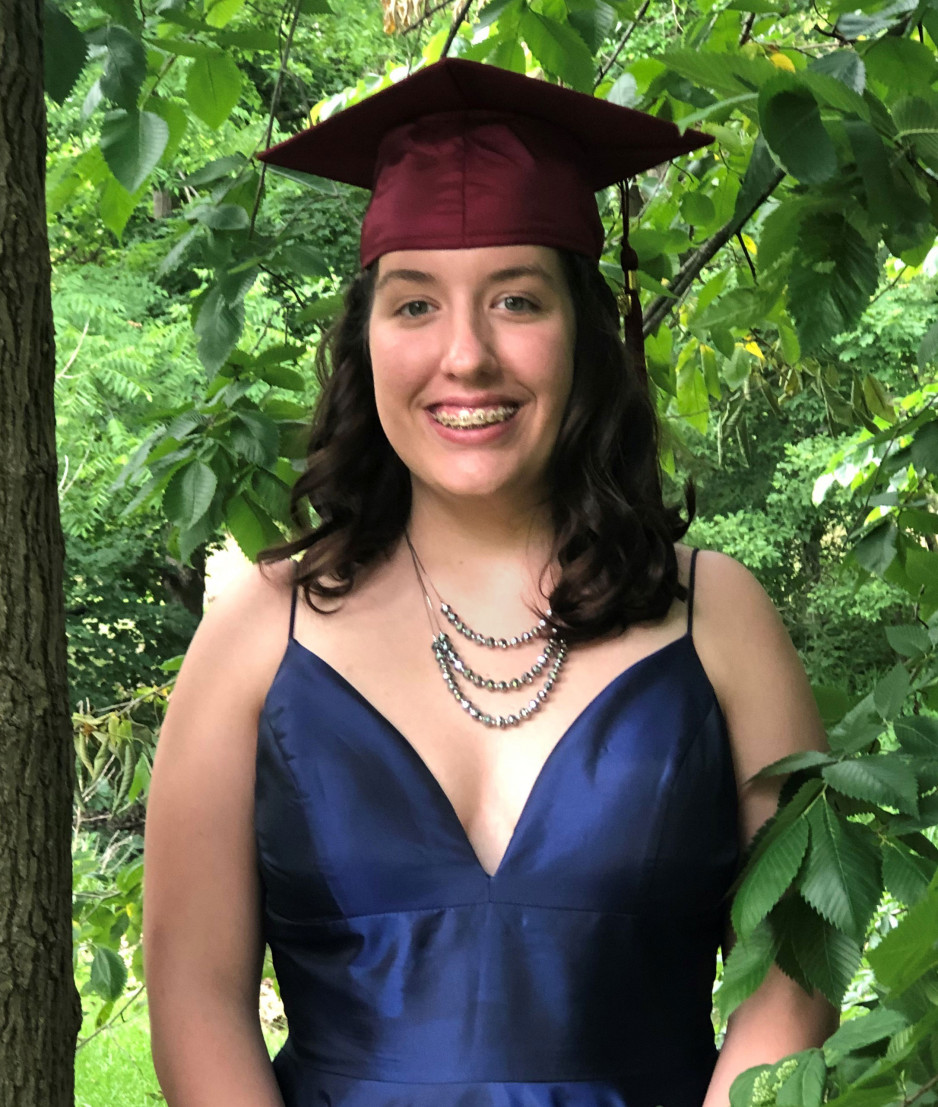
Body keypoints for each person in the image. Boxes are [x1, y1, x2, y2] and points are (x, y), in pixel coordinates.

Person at [143, 58, 838, 1107]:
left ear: (585, 337)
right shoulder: (257, 632)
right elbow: (193, 993)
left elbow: (796, 965)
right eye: (414, 305)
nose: (464, 356)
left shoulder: (717, 619)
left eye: (515, 299)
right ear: (364, 341)